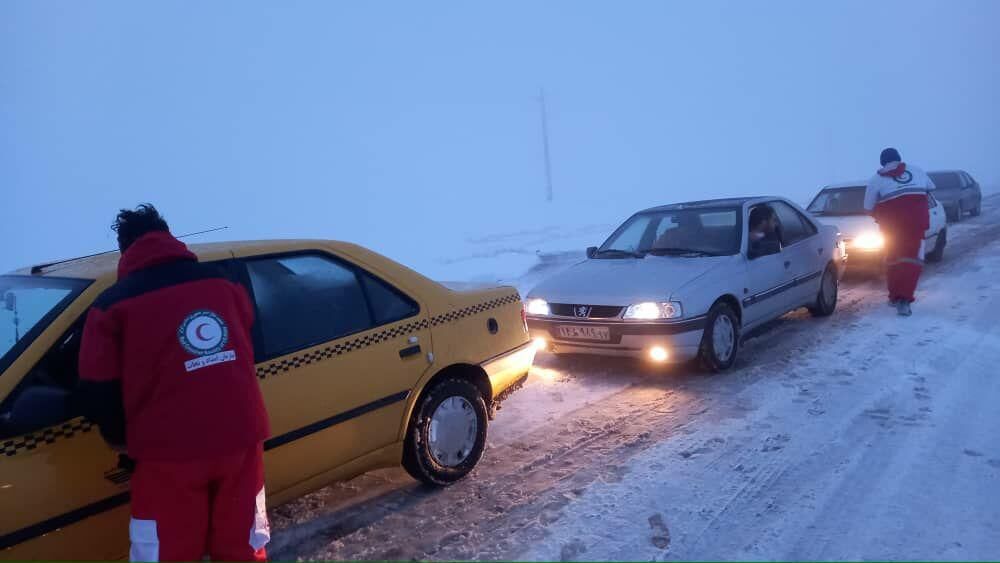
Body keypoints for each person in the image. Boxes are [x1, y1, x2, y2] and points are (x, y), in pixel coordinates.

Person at [78, 204, 271, 561]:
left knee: (166, 552)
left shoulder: (111, 306)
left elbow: (97, 389)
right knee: (244, 545)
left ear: (125, 249)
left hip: (165, 454)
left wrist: (119, 439)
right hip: (241, 440)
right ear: (169, 237)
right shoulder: (224, 284)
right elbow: (248, 342)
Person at [863, 148, 935, 316]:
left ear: (882, 162)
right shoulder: (917, 170)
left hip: (892, 229)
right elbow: (930, 188)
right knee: (911, 262)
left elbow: (867, 207)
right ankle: (904, 300)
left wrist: (879, 214)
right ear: (899, 158)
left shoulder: (876, 179)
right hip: (917, 226)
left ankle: (895, 297)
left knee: (893, 261)